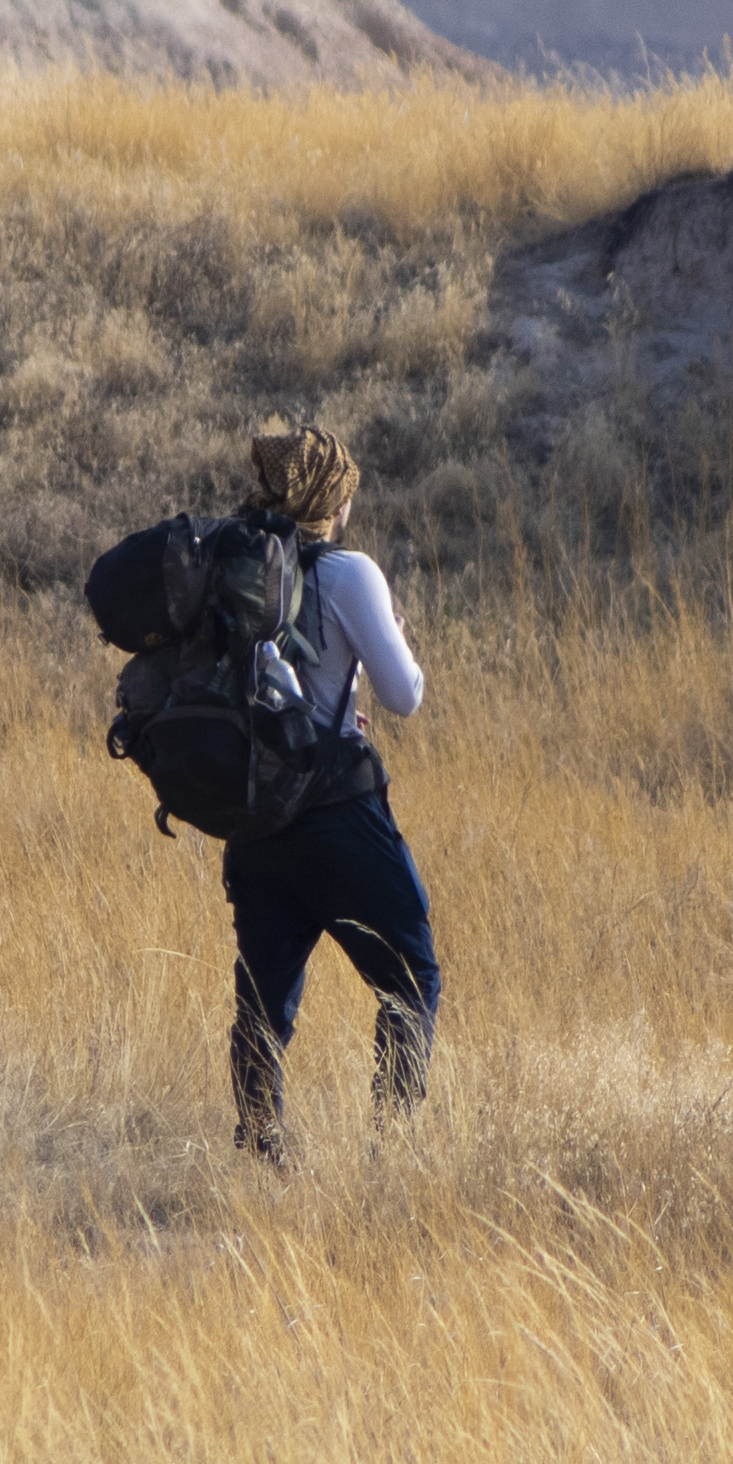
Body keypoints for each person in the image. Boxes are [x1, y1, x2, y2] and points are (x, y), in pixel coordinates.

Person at [212, 423, 434, 1158]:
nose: (347, 513)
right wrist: (393, 636)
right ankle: (391, 1151)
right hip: (337, 812)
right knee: (410, 980)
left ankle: (260, 1154)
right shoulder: (350, 573)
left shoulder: (232, 562)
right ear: (327, 501)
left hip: (254, 814)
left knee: (263, 1006)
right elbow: (404, 695)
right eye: (344, 499)